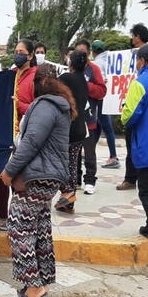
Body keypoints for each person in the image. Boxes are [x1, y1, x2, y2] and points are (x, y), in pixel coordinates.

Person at [1, 71, 74, 297]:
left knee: (19, 228)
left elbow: (32, 141)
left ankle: (34, 288)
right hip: (47, 178)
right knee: (39, 230)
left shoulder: (44, 105)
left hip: (37, 177)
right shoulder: (58, 106)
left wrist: (9, 170)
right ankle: (39, 283)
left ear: (37, 87)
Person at [0, 40, 36, 231]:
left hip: (25, 135)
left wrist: (19, 104)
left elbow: (37, 107)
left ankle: (18, 216)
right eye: (15, 51)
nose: (18, 55)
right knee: (1, 175)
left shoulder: (34, 78)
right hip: (5, 134)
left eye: (21, 52)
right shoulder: (10, 76)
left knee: (18, 178)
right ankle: (2, 215)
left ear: (30, 56)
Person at [121, 44, 148, 241]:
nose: (136, 64)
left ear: (143, 61)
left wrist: (124, 113)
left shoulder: (140, 83)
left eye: (137, 60)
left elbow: (129, 117)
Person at [117, 23, 148, 191]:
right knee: (131, 144)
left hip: (144, 105)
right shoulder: (133, 55)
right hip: (134, 100)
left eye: (132, 35)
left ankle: (136, 179)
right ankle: (131, 178)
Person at [55, 51, 89, 213]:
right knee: (72, 164)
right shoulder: (84, 80)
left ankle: (67, 194)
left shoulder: (66, 78)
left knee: (63, 164)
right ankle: (69, 199)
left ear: (71, 63)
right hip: (80, 128)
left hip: (67, 130)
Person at [75, 40, 107, 195]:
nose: (80, 55)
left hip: (89, 119)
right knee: (74, 152)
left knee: (89, 152)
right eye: (77, 52)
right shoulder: (71, 68)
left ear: (88, 53)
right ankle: (76, 179)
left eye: (83, 52)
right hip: (74, 119)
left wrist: (86, 86)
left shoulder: (94, 69)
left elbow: (102, 91)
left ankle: (90, 180)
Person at [90, 40, 120, 169]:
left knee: (106, 127)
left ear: (93, 51)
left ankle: (113, 156)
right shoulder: (110, 61)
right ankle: (90, 150)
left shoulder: (97, 63)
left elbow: (102, 80)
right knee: (98, 125)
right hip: (111, 98)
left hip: (102, 98)